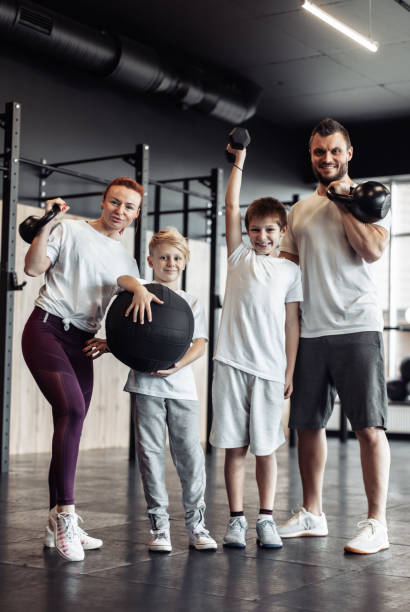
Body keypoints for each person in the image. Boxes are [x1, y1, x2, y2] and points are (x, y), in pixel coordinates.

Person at [278, 118, 391, 555]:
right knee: (306, 424)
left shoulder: (370, 199)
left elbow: (372, 250)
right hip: (310, 329)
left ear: (349, 153)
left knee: (368, 427)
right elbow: (287, 268)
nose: (326, 158)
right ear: (311, 156)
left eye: (334, 151)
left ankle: (376, 522)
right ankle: (312, 513)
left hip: (357, 326)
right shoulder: (299, 210)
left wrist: (344, 202)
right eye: (318, 152)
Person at [22, 176, 143, 562]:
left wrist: (112, 341)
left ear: (136, 215)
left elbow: (125, 313)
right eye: (115, 202)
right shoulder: (70, 230)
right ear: (103, 201)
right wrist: (44, 227)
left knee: (70, 423)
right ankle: (67, 517)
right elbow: (32, 267)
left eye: (129, 207)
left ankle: (54, 521)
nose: (119, 211)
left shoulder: (128, 261)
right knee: (71, 411)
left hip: (84, 344)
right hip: (47, 329)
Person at [209, 141, 302, 549]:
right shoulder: (238, 258)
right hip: (231, 364)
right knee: (234, 447)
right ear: (247, 232)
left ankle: (266, 519)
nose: (261, 236)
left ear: (282, 233)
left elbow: (292, 323)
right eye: (255, 230)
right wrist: (240, 161)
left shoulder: (289, 271)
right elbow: (230, 207)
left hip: (269, 371)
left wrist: (289, 371)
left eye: (269, 230)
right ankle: (236, 520)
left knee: (266, 449)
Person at [117, 227, 217, 552]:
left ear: (184, 262)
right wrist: (110, 343)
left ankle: (196, 526)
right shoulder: (138, 291)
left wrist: (177, 365)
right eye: (163, 257)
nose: (170, 263)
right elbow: (125, 327)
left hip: (183, 389)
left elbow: (200, 343)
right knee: (149, 454)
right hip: (145, 386)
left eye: (176, 258)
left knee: (190, 455)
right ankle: (159, 528)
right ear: (151, 260)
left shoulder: (191, 301)